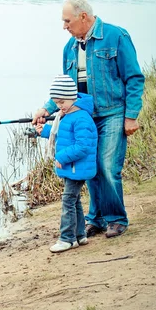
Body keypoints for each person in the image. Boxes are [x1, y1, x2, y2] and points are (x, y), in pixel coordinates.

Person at [33, 0, 145, 239]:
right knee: (91, 168)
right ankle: (96, 219)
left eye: (67, 21)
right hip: (85, 117)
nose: (64, 27)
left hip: (114, 113)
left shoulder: (116, 36)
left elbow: (134, 78)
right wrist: (47, 108)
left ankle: (116, 219)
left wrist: (131, 116)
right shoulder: (70, 49)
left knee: (107, 166)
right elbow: (66, 89)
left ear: (83, 16)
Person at [36, 75, 98, 253]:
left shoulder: (81, 117)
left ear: (73, 96)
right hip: (73, 168)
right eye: (56, 102)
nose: (59, 106)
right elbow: (64, 136)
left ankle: (66, 238)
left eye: (62, 101)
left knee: (68, 201)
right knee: (75, 200)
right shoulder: (68, 115)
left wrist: (61, 157)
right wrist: (46, 131)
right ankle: (79, 236)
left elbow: (83, 145)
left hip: (77, 167)